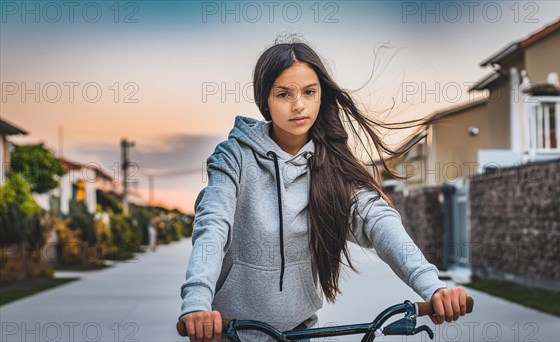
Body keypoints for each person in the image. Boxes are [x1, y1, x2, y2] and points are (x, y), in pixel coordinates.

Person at [179, 38, 468, 342]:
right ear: (265, 100)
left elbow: (378, 220)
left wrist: (432, 286)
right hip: (229, 332)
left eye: (309, 92)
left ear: (320, 96)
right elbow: (213, 224)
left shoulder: (333, 165)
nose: (298, 104)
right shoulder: (234, 157)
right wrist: (197, 301)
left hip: (300, 331)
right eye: (283, 94)